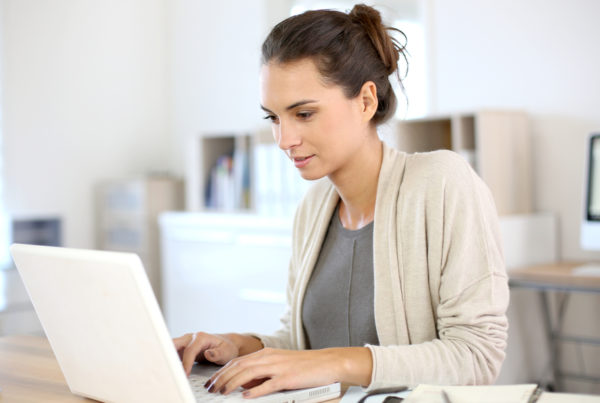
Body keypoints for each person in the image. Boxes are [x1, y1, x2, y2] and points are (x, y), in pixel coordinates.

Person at [174, 3, 509, 399]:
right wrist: (240, 346)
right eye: (274, 118)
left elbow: (476, 356)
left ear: (366, 101)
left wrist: (332, 362)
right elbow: (303, 344)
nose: (284, 140)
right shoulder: (313, 208)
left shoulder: (441, 184)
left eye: (303, 113)